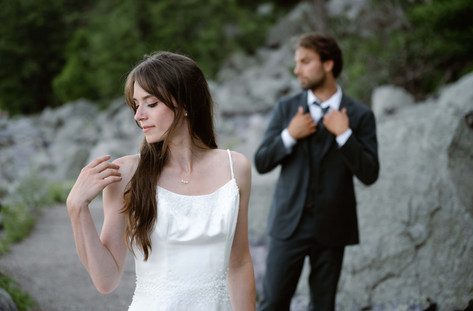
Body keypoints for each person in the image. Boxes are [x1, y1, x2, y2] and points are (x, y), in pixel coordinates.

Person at [67, 51, 256, 311]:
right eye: (136, 104)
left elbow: (240, 263)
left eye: (151, 103)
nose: (138, 115)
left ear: (186, 104)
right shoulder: (126, 174)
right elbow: (106, 280)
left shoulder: (236, 168)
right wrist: (77, 208)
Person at [254, 33, 379, 311]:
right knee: (273, 302)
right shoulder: (286, 108)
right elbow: (262, 162)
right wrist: (289, 134)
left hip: (333, 226)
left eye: (305, 61)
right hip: (288, 224)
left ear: (328, 64)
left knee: (323, 306)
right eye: (297, 62)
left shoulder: (359, 115)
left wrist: (345, 135)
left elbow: (370, 174)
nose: (297, 69)